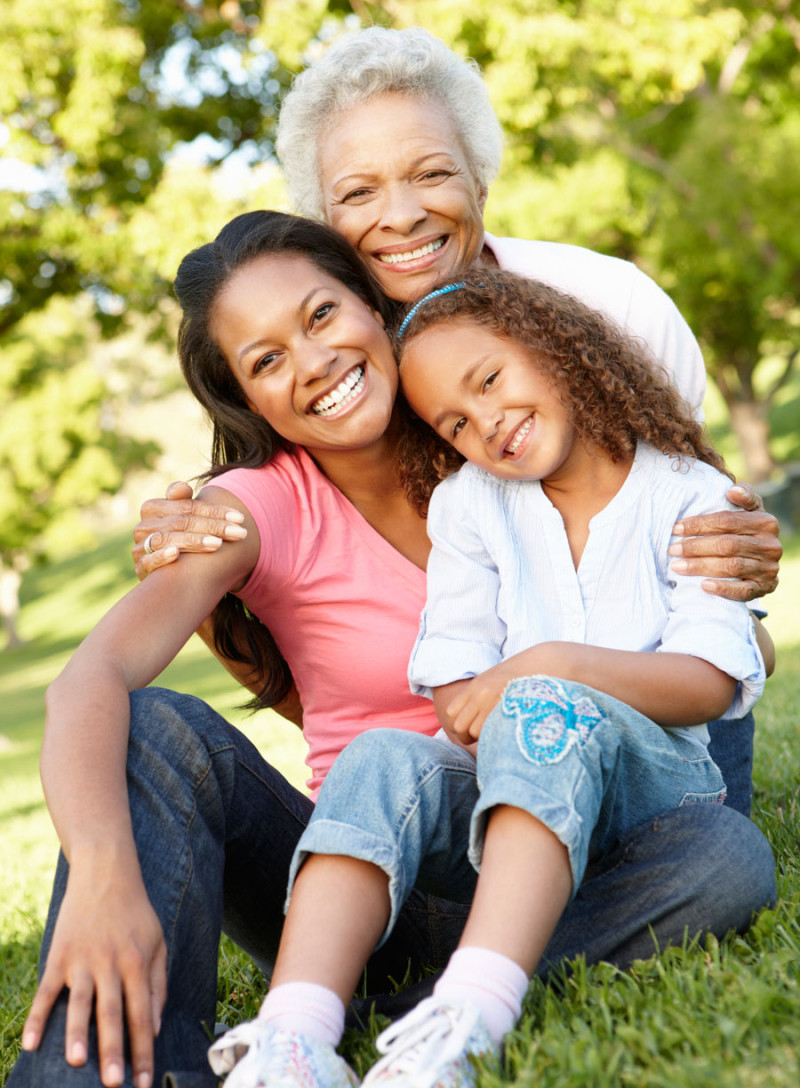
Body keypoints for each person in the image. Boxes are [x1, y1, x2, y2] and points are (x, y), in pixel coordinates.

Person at [10, 24, 778, 1088]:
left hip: (575, 827)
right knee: (165, 730)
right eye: (268, 358)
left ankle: (421, 1001)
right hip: (365, 861)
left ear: (375, 304)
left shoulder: (517, 421)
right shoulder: (254, 506)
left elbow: (711, 632)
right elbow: (116, 671)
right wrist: (102, 870)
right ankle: (142, 1061)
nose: (316, 360)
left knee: (719, 856)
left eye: (326, 315)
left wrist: (726, 571)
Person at [136, 25, 780, 815]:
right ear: (324, 224)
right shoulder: (339, 371)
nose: (402, 216)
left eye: (432, 173)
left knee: (707, 851)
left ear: (480, 179)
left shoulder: (612, 309)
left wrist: (738, 562)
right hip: (480, 756)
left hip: (660, 727)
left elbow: (730, 607)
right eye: (359, 192)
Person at [205, 269, 766, 1087]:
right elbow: (454, 684)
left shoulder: (692, 495)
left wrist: (547, 668)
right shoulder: (472, 506)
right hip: (504, 805)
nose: (487, 424)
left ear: (560, 349)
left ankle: (467, 1013)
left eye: (492, 380)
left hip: (650, 804)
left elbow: (711, 682)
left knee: (716, 851)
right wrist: (484, 702)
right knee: (382, 755)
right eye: (455, 423)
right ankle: (295, 1032)